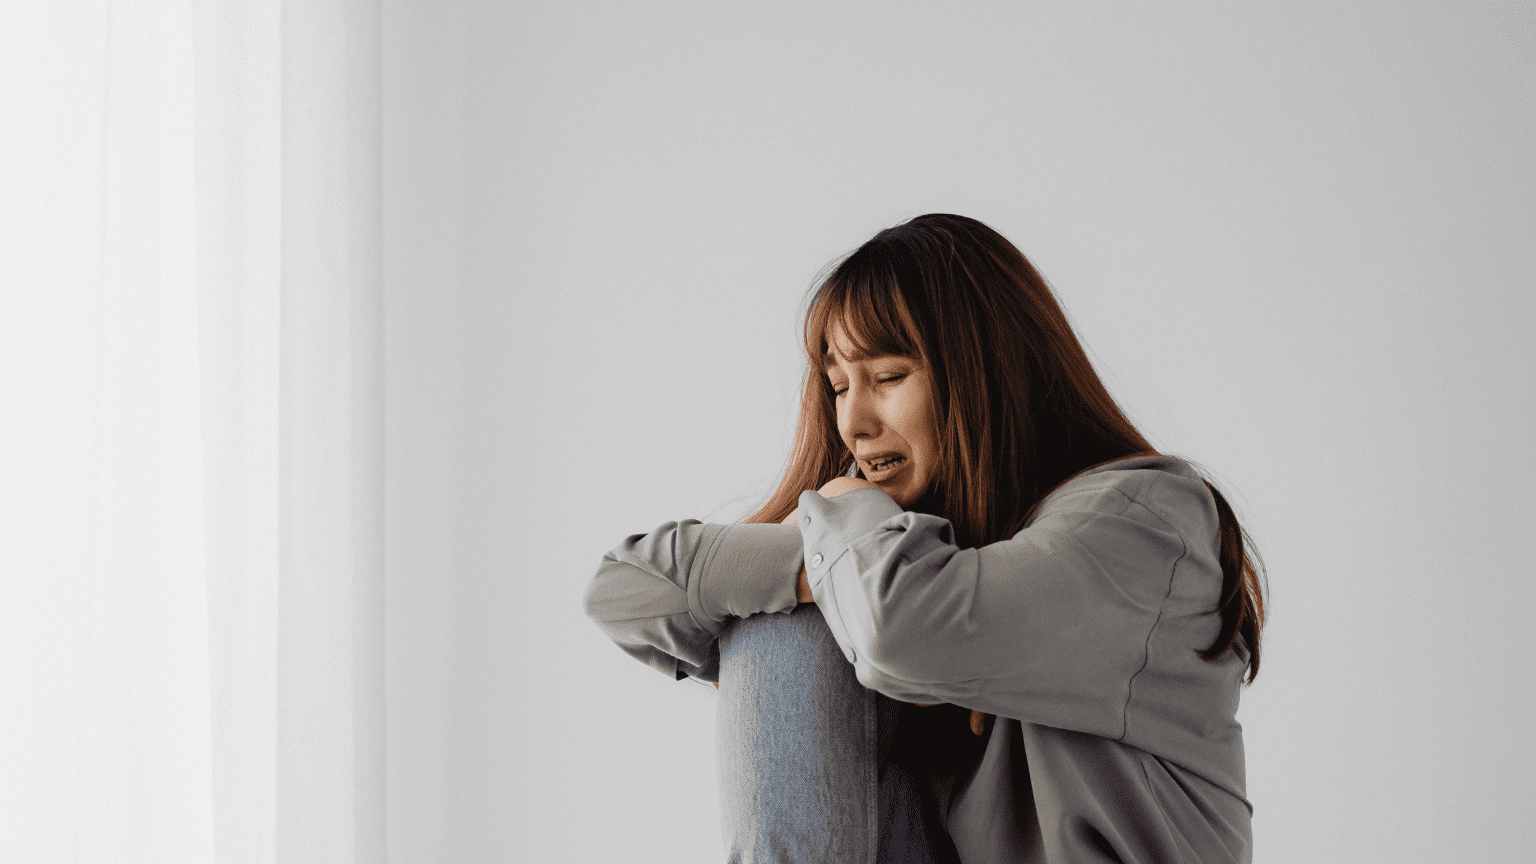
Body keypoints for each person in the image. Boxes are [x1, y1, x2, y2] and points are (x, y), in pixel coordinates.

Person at [583, 213, 1265, 863]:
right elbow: (625, 590)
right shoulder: (911, 549)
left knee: (811, 602)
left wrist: (843, 507)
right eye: (837, 386)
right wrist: (816, 557)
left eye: (885, 378)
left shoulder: (1145, 520)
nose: (853, 422)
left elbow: (899, 631)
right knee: (787, 616)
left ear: (987, 371)